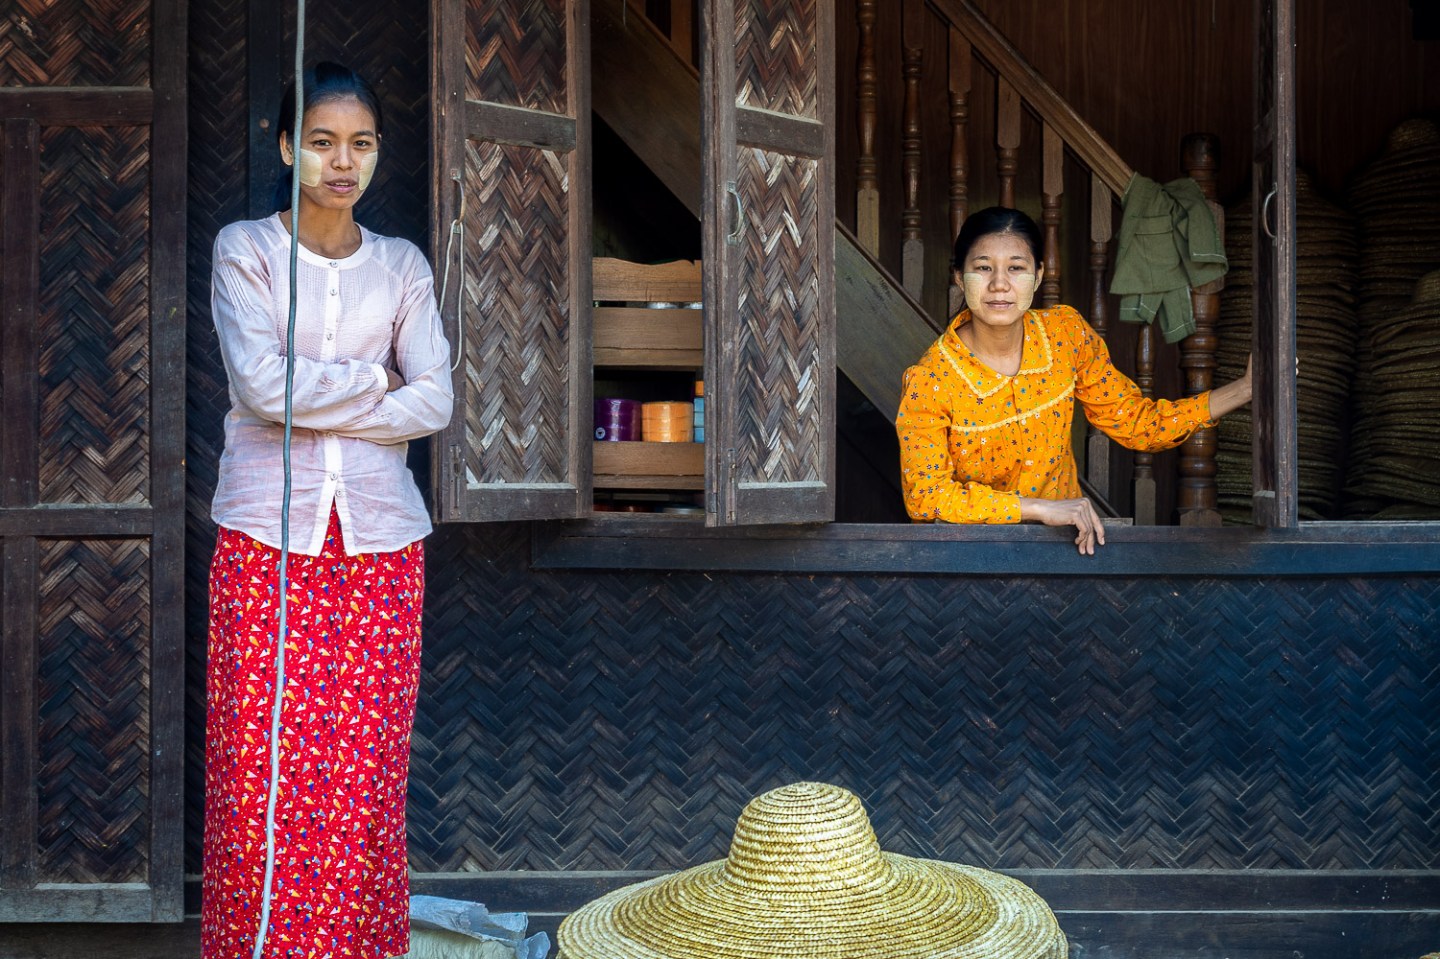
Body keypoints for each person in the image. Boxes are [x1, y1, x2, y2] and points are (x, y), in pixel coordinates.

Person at [201, 62, 453, 959]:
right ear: (286, 147)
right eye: (321, 142)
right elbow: (260, 387)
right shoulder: (246, 251)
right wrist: (376, 382)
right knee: (260, 770)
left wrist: (319, 397)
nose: (342, 162)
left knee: (362, 774)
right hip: (266, 540)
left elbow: (437, 400)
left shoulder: (402, 266)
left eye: (361, 143)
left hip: (381, 549)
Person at [896, 206, 1250, 554]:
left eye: (1016, 268)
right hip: (970, 558)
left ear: (1038, 275)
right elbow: (926, 498)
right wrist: (1037, 508)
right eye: (983, 267)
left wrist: (1246, 388)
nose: (999, 284)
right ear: (960, 277)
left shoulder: (1064, 336)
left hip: (1064, 552)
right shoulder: (932, 379)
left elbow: (1138, 423)